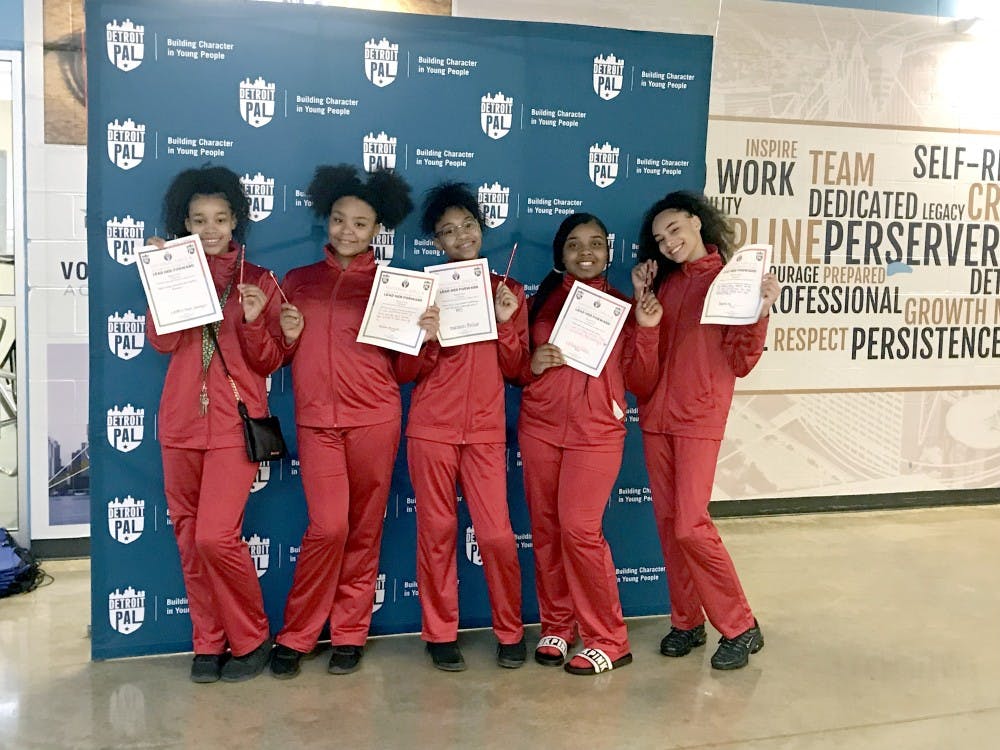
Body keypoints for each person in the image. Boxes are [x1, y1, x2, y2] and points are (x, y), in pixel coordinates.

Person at [255, 164, 413, 679]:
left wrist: (424, 336)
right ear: (327, 219)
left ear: (377, 230)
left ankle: (349, 631)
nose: (348, 231)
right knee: (328, 527)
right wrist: (285, 333)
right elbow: (273, 358)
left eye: (360, 223)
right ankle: (299, 633)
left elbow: (406, 368)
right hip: (318, 422)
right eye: (340, 219)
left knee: (365, 529)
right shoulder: (297, 282)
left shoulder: (392, 285)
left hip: (376, 418)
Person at [630, 190, 780, 670]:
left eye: (675, 229)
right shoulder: (666, 286)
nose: (669, 242)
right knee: (670, 527)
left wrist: (759, 312)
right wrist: (643, 306)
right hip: (656, 419)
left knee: (692, 523)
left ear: (697, 223)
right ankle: (686, 620)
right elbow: (644, 370)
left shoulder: (732, 281)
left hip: (698, 417)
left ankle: (739, 625)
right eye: (660, 238)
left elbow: (740, 360)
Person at [146, 165, 283, 683]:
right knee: (188, 538)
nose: (210, 229)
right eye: (200, 219)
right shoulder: (171, 267)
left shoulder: (259, 279)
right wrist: (164, 279)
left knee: (214, 536)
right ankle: (208, 640)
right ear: (185, 221)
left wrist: (252, 321)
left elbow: (270, 360)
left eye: (221, 219)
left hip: (232, 426)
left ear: (235, 223)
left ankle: (251, 636)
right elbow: (161, 342)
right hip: (180, 422)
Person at [516, 213, 662, 675]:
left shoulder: (622, 306)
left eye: (596, 243)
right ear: (560, 253)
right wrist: (530, 364)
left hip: (596, 434)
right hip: (540, 427)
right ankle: (558, 624)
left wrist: (647, 327)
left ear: (608, 252)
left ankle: (608, 638)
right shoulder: (538, 304)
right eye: (575, 244)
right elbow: (514, 368)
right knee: (546, 530)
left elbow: (642, 380)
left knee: (580, 530)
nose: (585, 252)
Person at [400, 182, 528, 672]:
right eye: (448, 232)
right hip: (431, 428)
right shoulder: (425, 292)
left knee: (496, 535)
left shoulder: (508, 290)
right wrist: (426, 338)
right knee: (437, 529)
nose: (461, 237)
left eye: (468, 226)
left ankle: (510, 630)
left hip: (485, 432)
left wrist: (507, 323)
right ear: (437, 242)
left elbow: (518, 369)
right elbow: (406, 373)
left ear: (482, 228)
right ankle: (439, 632)